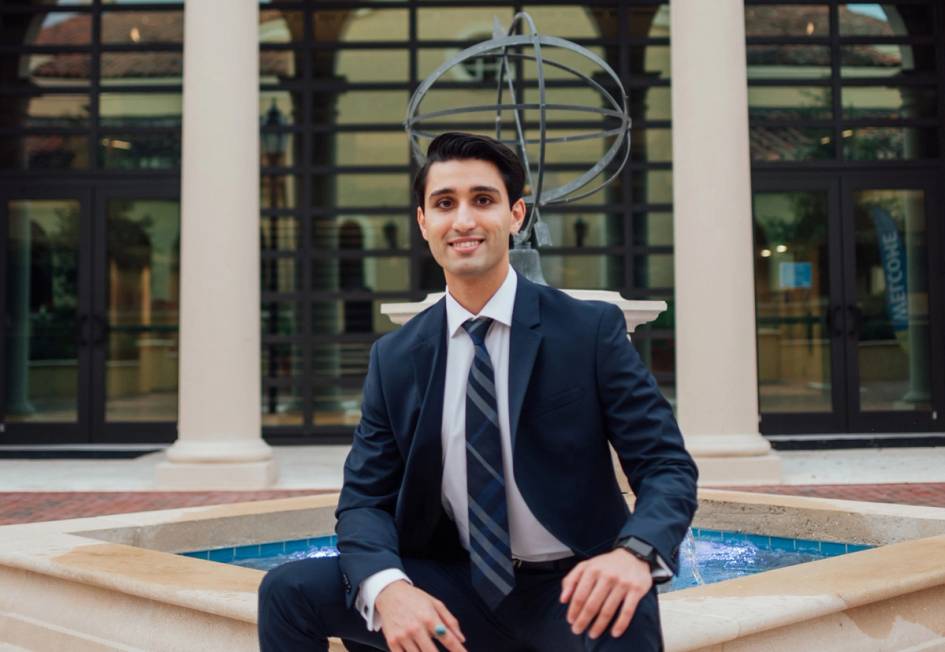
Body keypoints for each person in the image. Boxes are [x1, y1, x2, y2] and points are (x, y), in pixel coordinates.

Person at [258, 132, 698, 652]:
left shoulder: (588, 332)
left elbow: (666, 465)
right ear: (424, 223)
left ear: (516, 215)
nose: (463, 220)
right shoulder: (396, 358)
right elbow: (364, 502)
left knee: (622, 616)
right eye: (445, 204)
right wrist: (389, 587)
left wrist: (635, 554)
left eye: (482, 200)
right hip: (457, 588)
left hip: (577, 587)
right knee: (287, 592)